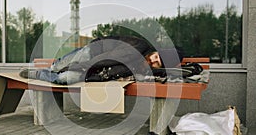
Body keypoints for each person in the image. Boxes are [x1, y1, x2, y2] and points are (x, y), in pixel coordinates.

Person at [19, 36, 183, 84]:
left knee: (63, 79)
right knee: (59, 67)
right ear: (154, 51)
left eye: (157, 64)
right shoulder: (138, 47)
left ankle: (39, 74)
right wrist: (80, 67)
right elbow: (106, 59)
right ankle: (48, 69)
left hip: (95, 69)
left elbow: (114, 72)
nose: (153, 61)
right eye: (156, 57)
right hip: (93, 54)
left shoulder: (143, 68)